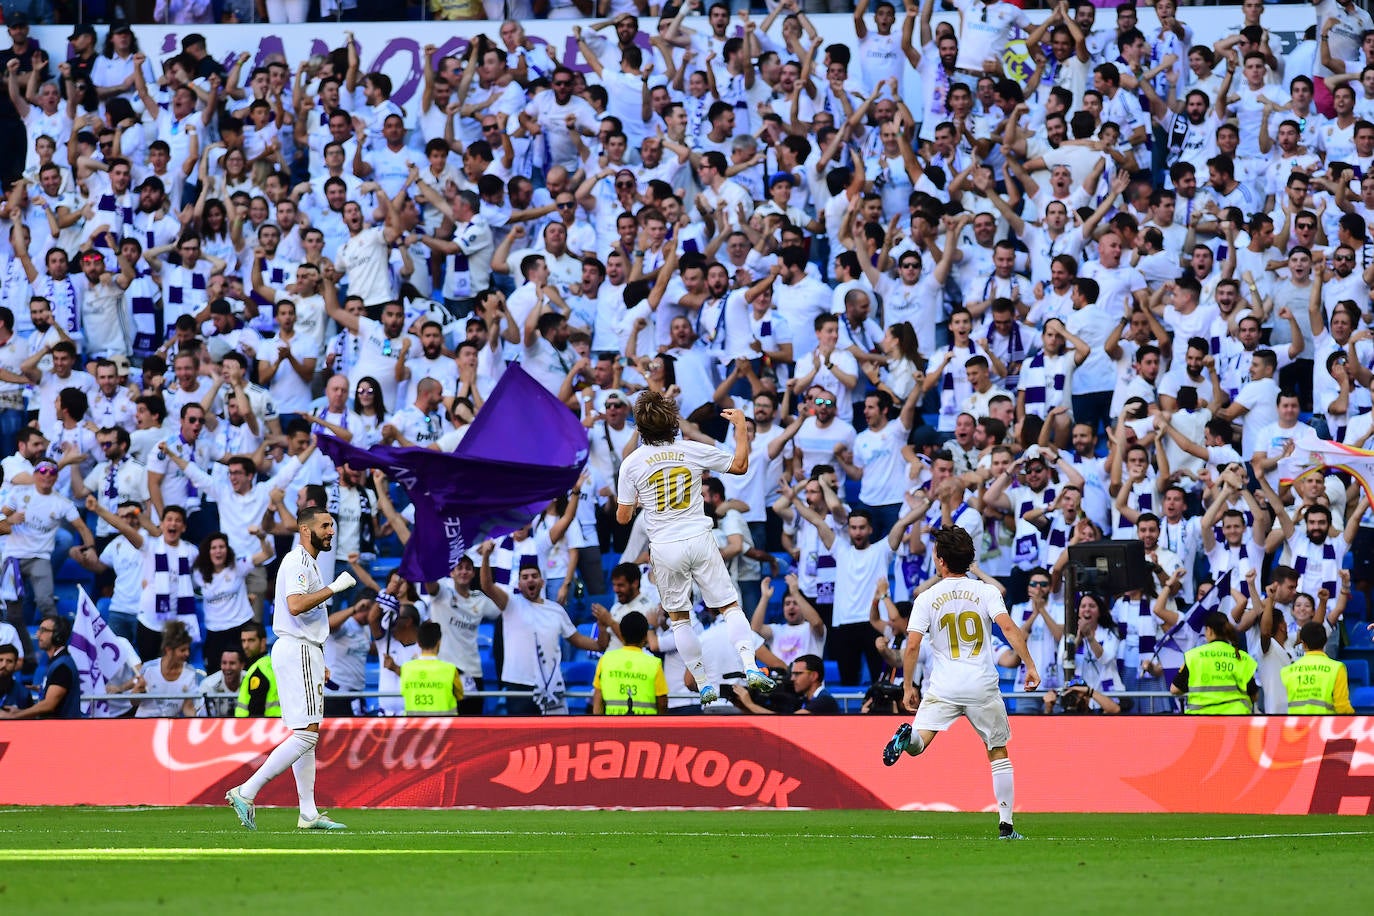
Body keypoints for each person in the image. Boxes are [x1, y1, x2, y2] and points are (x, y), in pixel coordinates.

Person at [615, 389, 775, 703]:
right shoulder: (691, 449)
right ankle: (749, 664)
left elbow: (622, 518)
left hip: (664, 546)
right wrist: (740, 427)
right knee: (729, 607)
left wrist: (642, 500)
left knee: (679, 619)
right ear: (673, 422)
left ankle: (702, 683)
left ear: (640, 427)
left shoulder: (631, 463)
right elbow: (740, 465)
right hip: (699, 538)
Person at [882, 527, 1040, 841]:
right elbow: (1009, 629)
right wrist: (1030, 666)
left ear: (941, 561)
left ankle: (908, 737)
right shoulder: (986, 591)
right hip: (981, 684)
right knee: (997, 751)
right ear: (969, 558)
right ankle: (1006, 826)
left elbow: (912, 646)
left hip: (943, 686)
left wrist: (908, 686)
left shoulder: (926, 598)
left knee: (919, 745)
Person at [225, 507, 356, 832]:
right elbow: (295, 605)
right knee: (306, 734)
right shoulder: (298, 561)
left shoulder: (307, 562)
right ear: (305, 530)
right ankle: (247, 791)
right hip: (298, 648)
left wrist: (319, 657)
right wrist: (334, 588)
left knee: (305, 731)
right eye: (325, 526)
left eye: (332, 525)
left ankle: (308, 813)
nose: (331, 531)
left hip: (302, 649)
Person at [1170, 611, 1260, 715]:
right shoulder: (1242, 657)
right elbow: (1254, 696)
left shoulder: (1194, 656)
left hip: (1201, 720)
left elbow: (1174, 689)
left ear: (1209, 630)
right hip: (1235, 719)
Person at [0, 616, 81, 719]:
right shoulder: (57, 662)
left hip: (63, 727)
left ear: (57, 635)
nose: (38, 635)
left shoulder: (62, 666)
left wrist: (15, 715)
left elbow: (49, 705)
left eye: (43, 630)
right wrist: (44, 688)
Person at [592, 610, 668, 715]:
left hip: (612, 723)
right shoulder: (654, 663)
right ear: (645, 636)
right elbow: (662, 703)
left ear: (622, 634)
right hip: (645, 723)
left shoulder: (605, 660)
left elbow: (598, 697)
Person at [1280, 622, 1355, 714]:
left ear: (1303, 644)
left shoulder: (1287, 671)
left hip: (1295, 723)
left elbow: (1280, 706)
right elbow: (1342, 707)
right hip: (1324, 723)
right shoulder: (1337, 668)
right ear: (1325, 641)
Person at [134, 620, 204, 718]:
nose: (187, 653)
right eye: (182, 650)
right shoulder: (149, 668)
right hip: (145, 722)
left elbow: (188, 707)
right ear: (168, 650)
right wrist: (138, 691)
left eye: (188, 649)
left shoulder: (190, 673)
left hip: (171, 724)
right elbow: (134, 702)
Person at [399, 621, 463, 716]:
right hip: (444, 724)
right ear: (439, 642)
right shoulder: (450, 669)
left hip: (414, 724)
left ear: (418, 643)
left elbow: (404, 693)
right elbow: (459, 695)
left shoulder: (405, 668)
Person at [235, 621, 276, 717]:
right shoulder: (269, 663)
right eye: (243, 641)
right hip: (275, 722)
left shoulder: (259, 670)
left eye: (251, 640)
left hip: (255, 724)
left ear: (263, 642)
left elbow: (256, 710)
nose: (245, 646)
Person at [201, 647, 246, 718]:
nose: (227, 667)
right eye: (224, 663)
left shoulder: (250, 680)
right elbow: (203, 717)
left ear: (242, 665)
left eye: (232, 663)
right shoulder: (208, 685)